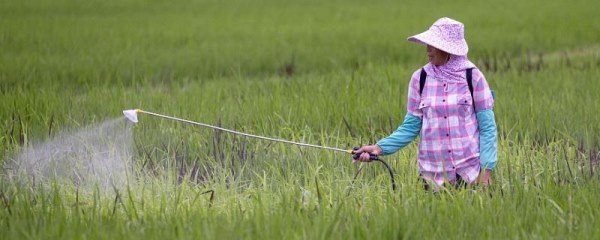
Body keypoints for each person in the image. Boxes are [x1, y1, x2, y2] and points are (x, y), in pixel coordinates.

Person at [353, 17, 497, 189]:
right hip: (432, 177)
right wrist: (378, 148)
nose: (428, 50)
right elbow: (410, 127)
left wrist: (486, 172)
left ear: (448, 48)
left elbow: (488, 128)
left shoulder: (473, 77)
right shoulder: (419, 79)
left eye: (433, 45)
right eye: (427, 44)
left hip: (469, 173)